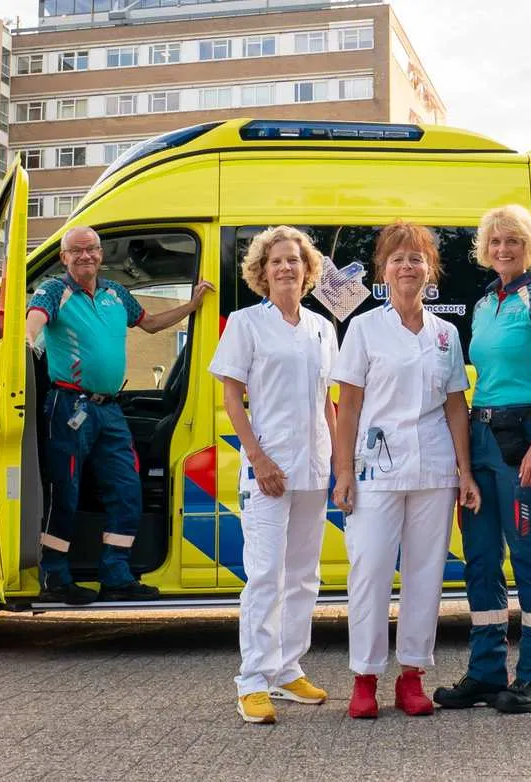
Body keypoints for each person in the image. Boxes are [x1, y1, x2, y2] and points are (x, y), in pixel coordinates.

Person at [331, 219, 480, 719]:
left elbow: (456, 405)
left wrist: (464, 470)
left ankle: (412, 674)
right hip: (376, 469)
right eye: (397, 258)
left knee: (425, 574)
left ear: (429, 269)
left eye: (416, 258)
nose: (407, 266)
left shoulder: (445, 333)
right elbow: (347, 405)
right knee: (369, 571)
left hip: (435, 469)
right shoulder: (363, 328)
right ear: (384, 269)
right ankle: (365, 677)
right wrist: (344, 471)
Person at [26, 225, 214, 605]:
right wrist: (27, 341)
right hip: (69, 406)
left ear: (100, 254)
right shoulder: (53, 290)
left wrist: (191, 308)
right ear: (64, 257)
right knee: (65, 491)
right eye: (76, 251)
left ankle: (116, 574)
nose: (86, 256)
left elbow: (149, 323)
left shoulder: (116, 293)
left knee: (127, 490)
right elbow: (35, 318)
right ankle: (56, 577)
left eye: (92, 249)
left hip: (109, 409)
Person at [433, 204, 531, 714]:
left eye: (512, 241)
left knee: (530, 560)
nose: (503, 250)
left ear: (528, 247)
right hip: (484, 435)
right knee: (482, 561)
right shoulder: (485, 301)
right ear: (485, 250)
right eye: (495, 242)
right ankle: (488, 673)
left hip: (523, 441)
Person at [209, 225, 337, 725]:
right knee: (265, 576)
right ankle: (253, 681)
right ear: (261, 272)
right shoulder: (245, 323)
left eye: (295, 260)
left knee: (305, 575)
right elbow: (231, 399)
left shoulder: (323, 328)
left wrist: (340, 464)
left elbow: (329, 401)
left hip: (314, 467)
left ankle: (287, 670)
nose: (286, 267)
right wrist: (258, 458)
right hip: (269, 470)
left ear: (309, 271)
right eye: (277, 261)